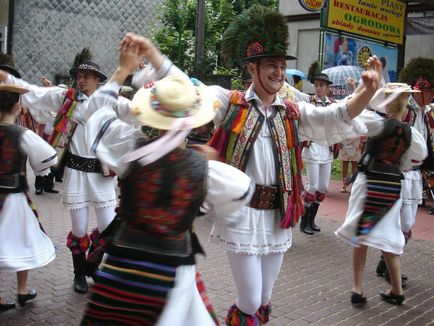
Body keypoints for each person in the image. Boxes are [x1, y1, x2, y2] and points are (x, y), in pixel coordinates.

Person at [207, 6, 381, 324]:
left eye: (281, 66)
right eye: (271, 65)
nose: (279, 72)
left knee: (264, 298)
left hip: (278, 215)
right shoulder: (231, 103)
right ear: (253, 68)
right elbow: (192, 97)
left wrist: (365, 93)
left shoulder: (292, 112)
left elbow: (335, 116)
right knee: (249, 300)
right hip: (241, 214)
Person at [80, 33, 253, 325]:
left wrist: (122, 71)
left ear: (152, 114)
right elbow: (241, 194)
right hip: (173, 267)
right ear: (195, 120)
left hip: (124, 262)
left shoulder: (129, 151)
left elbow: (92, 114)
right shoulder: (205, 168)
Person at [0, 59, 117, 294]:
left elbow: (137, 115)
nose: (81, 80)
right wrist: (7, 79)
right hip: (75, 172)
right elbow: (35, 93)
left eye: (87, 76)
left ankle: (92, 265)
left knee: (110, 227)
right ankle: (79, 275)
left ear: (98, 80)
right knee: (79, 228)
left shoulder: (111, 102)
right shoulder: (66, 98)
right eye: (79, 76)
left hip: (102, 174)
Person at [335, 83, 427, 305]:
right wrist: (398, 163)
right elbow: (418, 156)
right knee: (388, 236)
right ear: (405, 105)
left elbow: (348, 115)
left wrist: (358, 91)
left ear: (386, 103)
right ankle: (396, 289)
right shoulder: (411, 132)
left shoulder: (375, 123)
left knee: (361, 232)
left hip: (369, 181)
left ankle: (357, 288)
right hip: (392, 184)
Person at [0, 83, 57, 311]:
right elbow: (47, 159)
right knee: (22, 240)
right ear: (17, 106)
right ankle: (22, 291)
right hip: (13, 199)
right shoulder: (22, 134)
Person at [376, 76, 434, 284]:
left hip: (415, 173)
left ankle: (385, 261)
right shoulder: (406, 112)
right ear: (419, 93)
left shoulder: (426, 114)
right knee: (398, 221)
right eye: (429, 92)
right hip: (398, 172)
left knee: (407, 223)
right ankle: (391, 267)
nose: (432, 96)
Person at [300, 73, 336, 235]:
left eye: (322, 85)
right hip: (312, 147)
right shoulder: (308, 102)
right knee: (313, 186)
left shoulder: (333, 105)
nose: (319, 88)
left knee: (323, 187)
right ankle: (304, 220)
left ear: (328, 88)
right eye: (317, 85)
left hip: (326, 148)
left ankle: (312, 219)